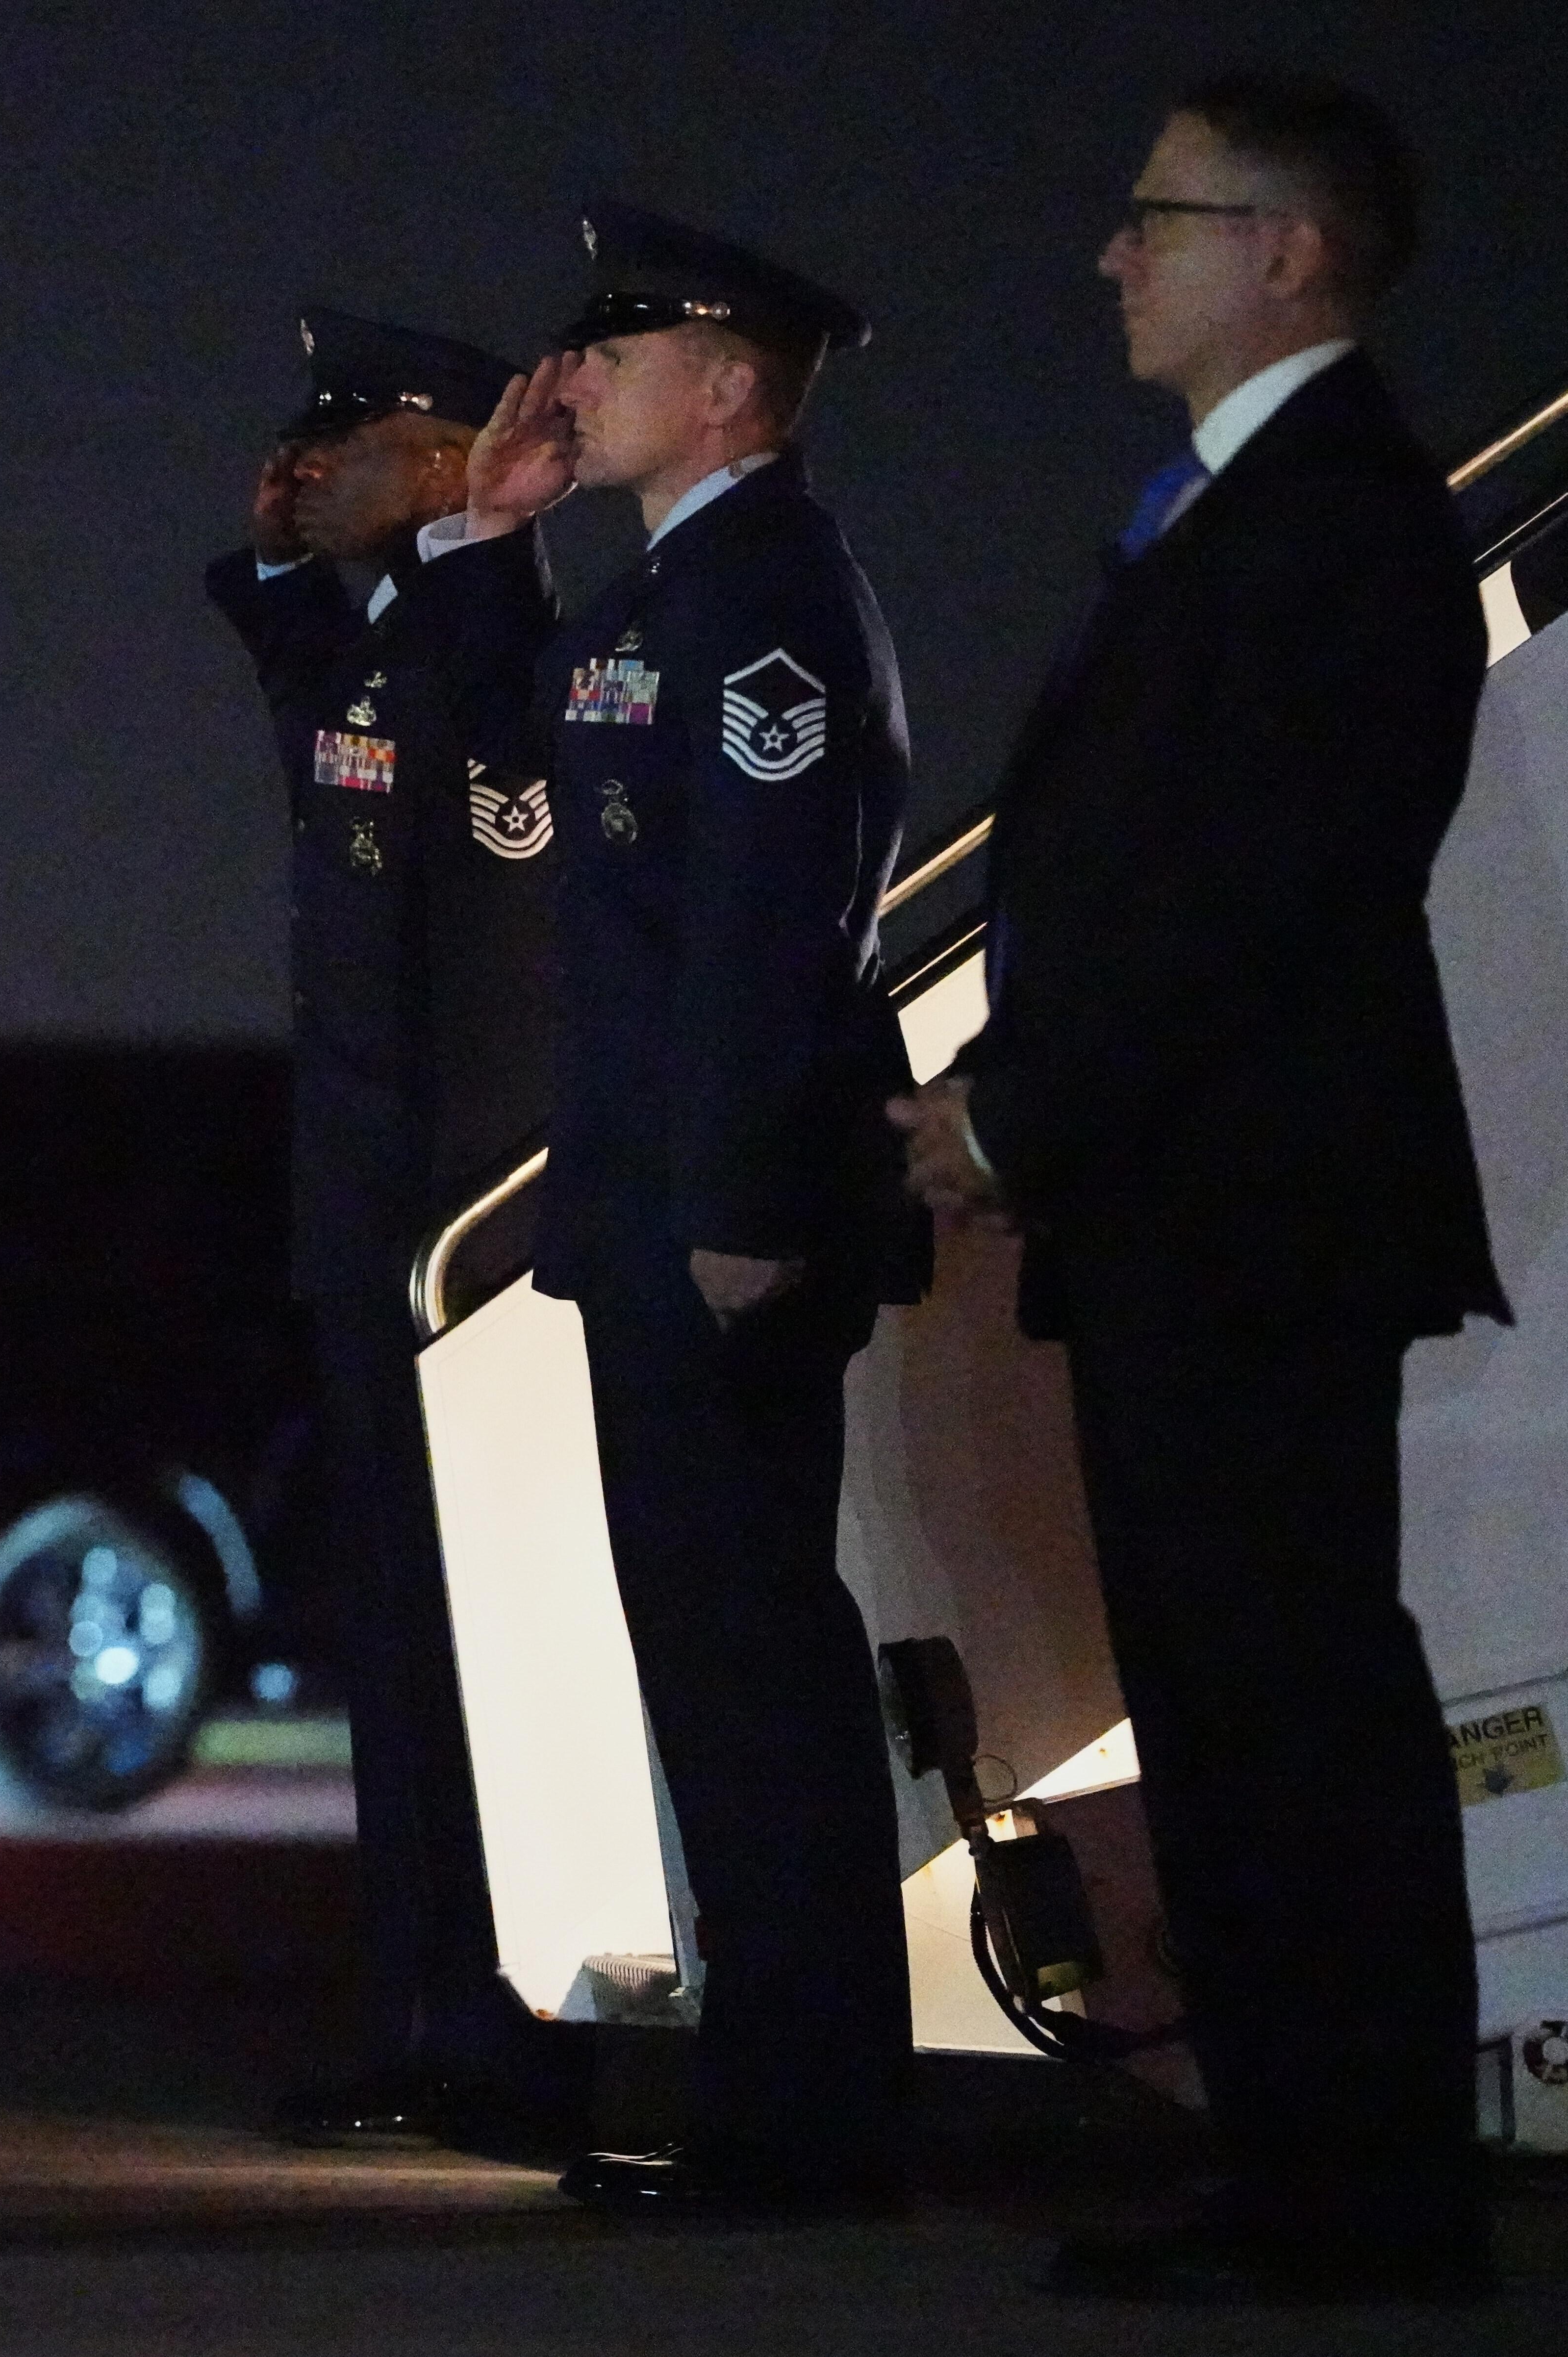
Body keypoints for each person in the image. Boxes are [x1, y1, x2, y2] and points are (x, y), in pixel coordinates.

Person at [892, 76, 1503, 2304]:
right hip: (1185, 1205)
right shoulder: (1232, 511)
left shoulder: (1335, 518)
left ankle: (1369, 2193)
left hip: (1259, 1211)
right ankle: (1301, 2173)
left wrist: (1019, 1114)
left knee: (1295, 1697)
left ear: (1293, 252)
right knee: (1235, 1698)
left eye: (1158, 214)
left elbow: (1256, 892)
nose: (1110, 255)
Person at [455, 202, 925, 2215]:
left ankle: (805, 2110)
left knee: (749, 1655)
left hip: (711, 1211)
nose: (577, 375)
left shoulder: (763, 599)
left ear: (728, 382)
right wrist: (493, 539)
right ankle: (775, 2084)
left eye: (620, 349)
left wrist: (735, 1203)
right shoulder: (669, 591)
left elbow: (766, 924)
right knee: (706, 1646)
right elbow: (519, 774)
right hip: (645, 1203)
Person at [202, 308, 562, 2145]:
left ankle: (502, 2028)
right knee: (396, 1651)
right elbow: (306, 709)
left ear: (443, 466)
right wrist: (278, 560)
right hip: (365, 1229)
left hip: (456, 1235)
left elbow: (503, 960)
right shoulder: (376, 648)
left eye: (346, 440)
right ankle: (429, 2015)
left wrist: (462, 1241)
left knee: (471, 1648)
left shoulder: (489, 653)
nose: (303, 461)